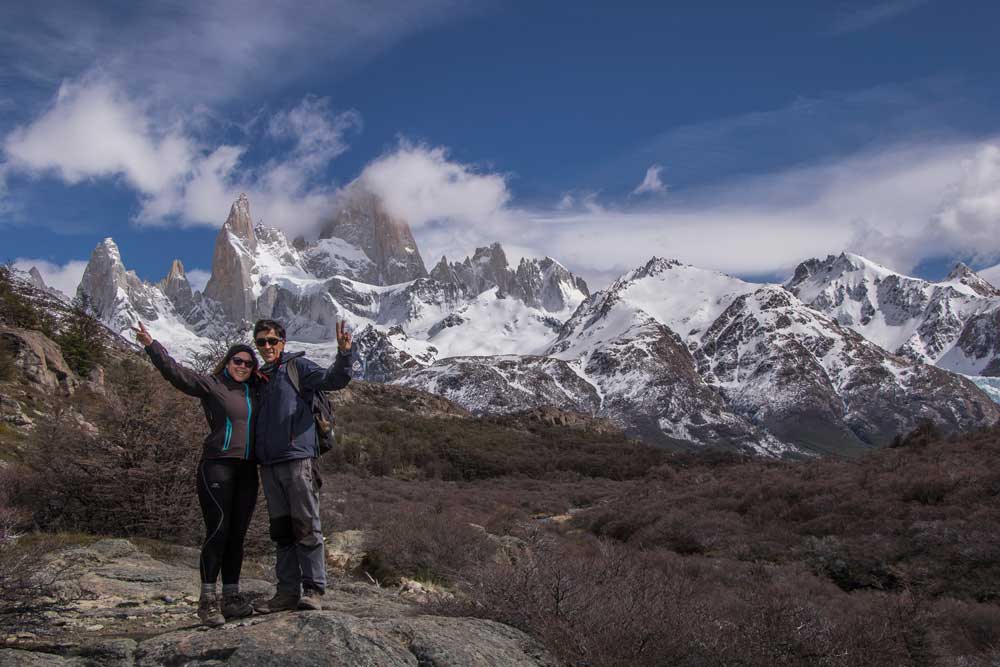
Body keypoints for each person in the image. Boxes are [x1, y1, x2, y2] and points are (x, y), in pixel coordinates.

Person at [133, 321, 259, 627]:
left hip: (248, 470)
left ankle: (231, 597)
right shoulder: (212, 384)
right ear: (228, 362)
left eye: (248, 363)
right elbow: (175, 373)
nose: (242, 366)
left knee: (237, 536)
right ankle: (207, 601)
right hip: (217, 465)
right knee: (218, 530)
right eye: (237, 361)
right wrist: (152, 346)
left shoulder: (257, 392)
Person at [251, 318, 355, 613]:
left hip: (297, 459)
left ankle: (313, 590)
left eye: (272, 341)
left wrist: (345, 354)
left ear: (283, 342)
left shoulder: (298, 367)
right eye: (261, 342)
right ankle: (285, 593)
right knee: (282, 530)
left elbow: (334, 380)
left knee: (307, 524)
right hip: (269, 465)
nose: (267, 346)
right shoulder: (259, 377)